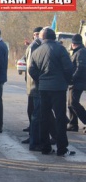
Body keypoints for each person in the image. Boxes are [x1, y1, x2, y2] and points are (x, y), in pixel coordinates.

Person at [28, 27, 75, 156]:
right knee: (60, 118)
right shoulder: (61, 49)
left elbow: (31, 70)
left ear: (43, 37)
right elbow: (68, 68)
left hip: (43, 88)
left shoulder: (36, 51)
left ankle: (45, 147)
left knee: (44, 118)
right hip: (58, 88)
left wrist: (41, 80)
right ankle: (61, 148)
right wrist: (65, 80)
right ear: (54, 37)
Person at [67, 34, 86, 132]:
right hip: (75, 82)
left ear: (73, 43)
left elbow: (80, 67)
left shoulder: (81, 52)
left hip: (78, 82)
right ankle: (73, 124)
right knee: (70, 103)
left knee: (74, 103)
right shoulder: (78, 51)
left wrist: (72, 78)